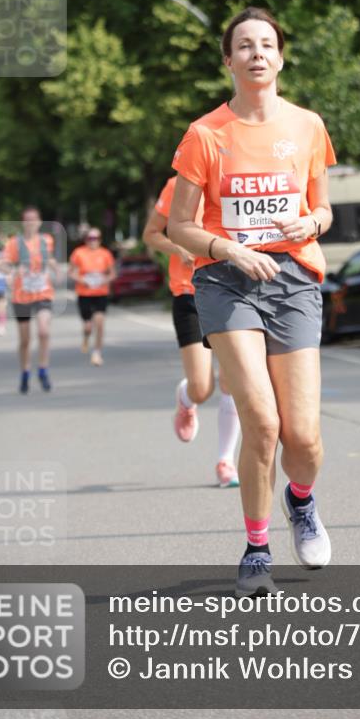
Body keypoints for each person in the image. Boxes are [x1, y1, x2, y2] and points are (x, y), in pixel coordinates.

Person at [168, 6, 336, 596]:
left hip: (293, 281)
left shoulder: (309, 126)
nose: (257, 53)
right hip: (226, 283)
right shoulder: (205, 134)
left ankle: (301, 501)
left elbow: (324, 209)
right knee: (261, 424)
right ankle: (257, 548)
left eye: (267, 44)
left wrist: (306, 224)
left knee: (304, 438)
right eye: (244, 45)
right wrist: (229, 250)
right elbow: (179, 226)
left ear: (281, 57)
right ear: (229, 60)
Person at [143, 177, 242, 488]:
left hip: (231, 291)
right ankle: (187, 399)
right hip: (188, 293)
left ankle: (225, 461)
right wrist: (178, 247)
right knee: (203, 388)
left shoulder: (238, 179)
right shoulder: (176, 185)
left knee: (232, 380)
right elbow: (151, 234)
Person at [0, 207, 59, 394]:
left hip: (43, 292)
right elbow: (2, 264)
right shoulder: (13, 243)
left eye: (34, 219)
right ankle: (25, 372)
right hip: (22, 295)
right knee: (25, 339)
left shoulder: (47, 240)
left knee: (43, 331)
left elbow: (48, 259)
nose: (31, 222)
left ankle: (43, 369)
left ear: (40, 222)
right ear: (22, 223)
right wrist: (13, 271)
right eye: (27, 219)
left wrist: (55, 269)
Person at [68, 228, 116, 366]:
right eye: (90, 238)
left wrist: (103, 280)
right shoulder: (79, 253)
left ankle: (97, 352)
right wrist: (83, 280)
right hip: (84, 293)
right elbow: (71, 272)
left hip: (101, 293)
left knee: (100, 323)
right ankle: (86, 337)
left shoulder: (105, 254)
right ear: (86, 239)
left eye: (95, 238)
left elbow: (112, 273)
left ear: (100, 239)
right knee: (88, 326)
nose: (93, 241)